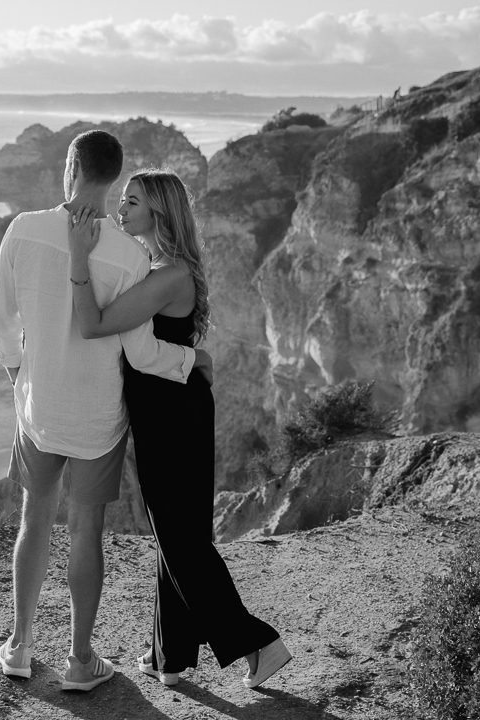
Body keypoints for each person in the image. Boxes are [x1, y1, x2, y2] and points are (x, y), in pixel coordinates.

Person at [0, 131, 210, 692]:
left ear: (72, 167)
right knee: (85, 530)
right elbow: (140, 352)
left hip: (39, 409)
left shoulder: (22, 229)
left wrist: (21, 378)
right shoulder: (131, 255)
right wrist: (192, 360)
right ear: (114, 178)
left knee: (34, 519)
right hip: (97, 417)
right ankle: (79, 660)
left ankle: (19, 646)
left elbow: (2, 325)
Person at [66, 168, 292, 689]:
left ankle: (257, 643)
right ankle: (169, 656)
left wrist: (78, 259)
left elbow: (95, 325)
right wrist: (195, 359)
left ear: (159, 212)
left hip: (170, 413)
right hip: (171, 408)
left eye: (133, 202)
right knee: (178, 533)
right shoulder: (162, 266)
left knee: (178, 537)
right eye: (123, 200)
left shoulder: (166, 274)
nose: (122, 210)